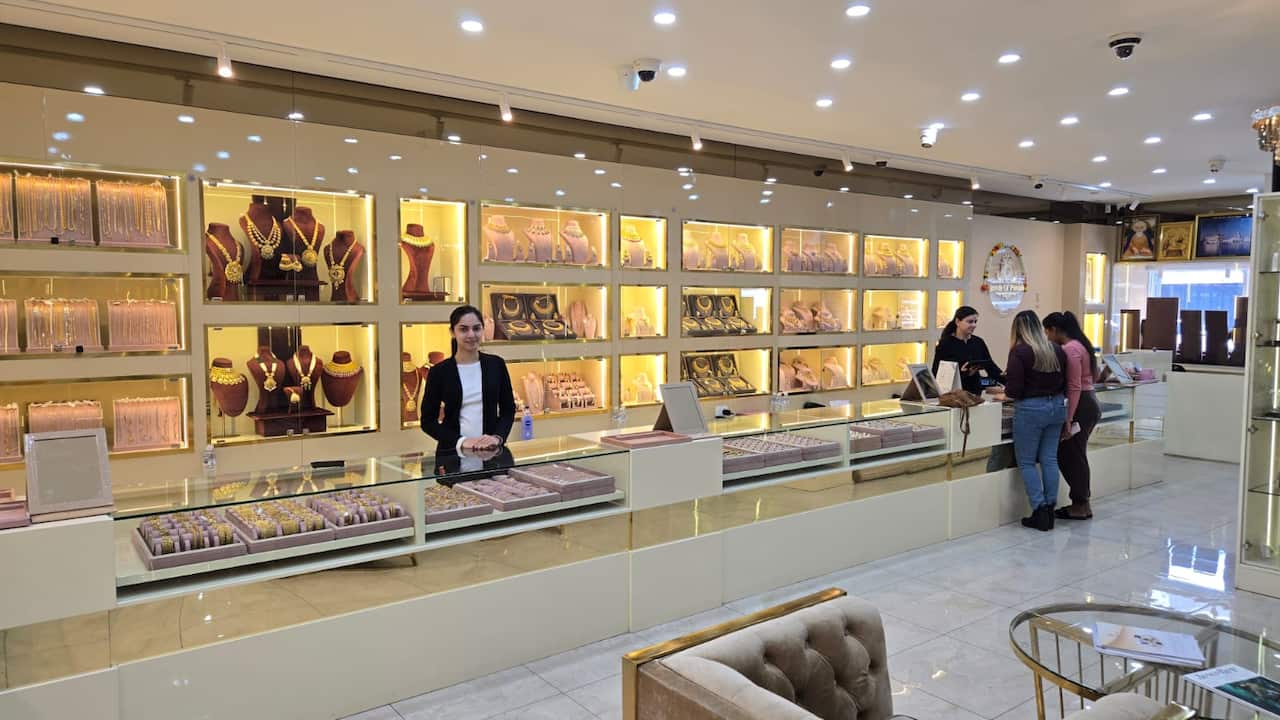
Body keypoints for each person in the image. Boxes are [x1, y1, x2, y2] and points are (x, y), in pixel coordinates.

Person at [420, 305, 517, 463]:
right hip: (453, 455)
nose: (471, 334)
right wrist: (461, 441)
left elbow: (508, 410)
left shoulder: (496, 365)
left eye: (476, 328)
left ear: (483, 330)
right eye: (463, 329)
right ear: (452, 332)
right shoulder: (439, 372)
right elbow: (428, 422)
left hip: (491, 454)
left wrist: (497, 438)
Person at [1005, 310, 1068, 531]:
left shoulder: (1019, 352)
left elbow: (1014, 390)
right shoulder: (1056, 349)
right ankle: (1050, 508)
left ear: (1018, 329)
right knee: (1049, 459)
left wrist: (1004, 393)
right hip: (1057, 407)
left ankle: (1039, 510)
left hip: (1030, 409)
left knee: (1027, 462)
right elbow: (1065, 382)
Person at [1043, 311, 1100, 520]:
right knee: (1076, 454)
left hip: (1081, 405)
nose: (1047, 337)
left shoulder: (1070, 349)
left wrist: (1068, 418)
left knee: (1071, 455)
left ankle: (1080, 504)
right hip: (1088, 402)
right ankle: (1082, 502)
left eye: (1047, 332)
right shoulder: (1081, 345)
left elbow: (1074, 386)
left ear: (1054, 330)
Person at [932, 305, 1003, 395]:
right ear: (958, 322)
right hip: (953, 395)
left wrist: (1007, 380)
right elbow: (937, 372)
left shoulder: (978, 342)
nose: (974, 325)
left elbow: (991, 367)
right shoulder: (946, 344)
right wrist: (964, 373)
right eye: (970, 322)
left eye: (975, 322)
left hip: (975, 393)